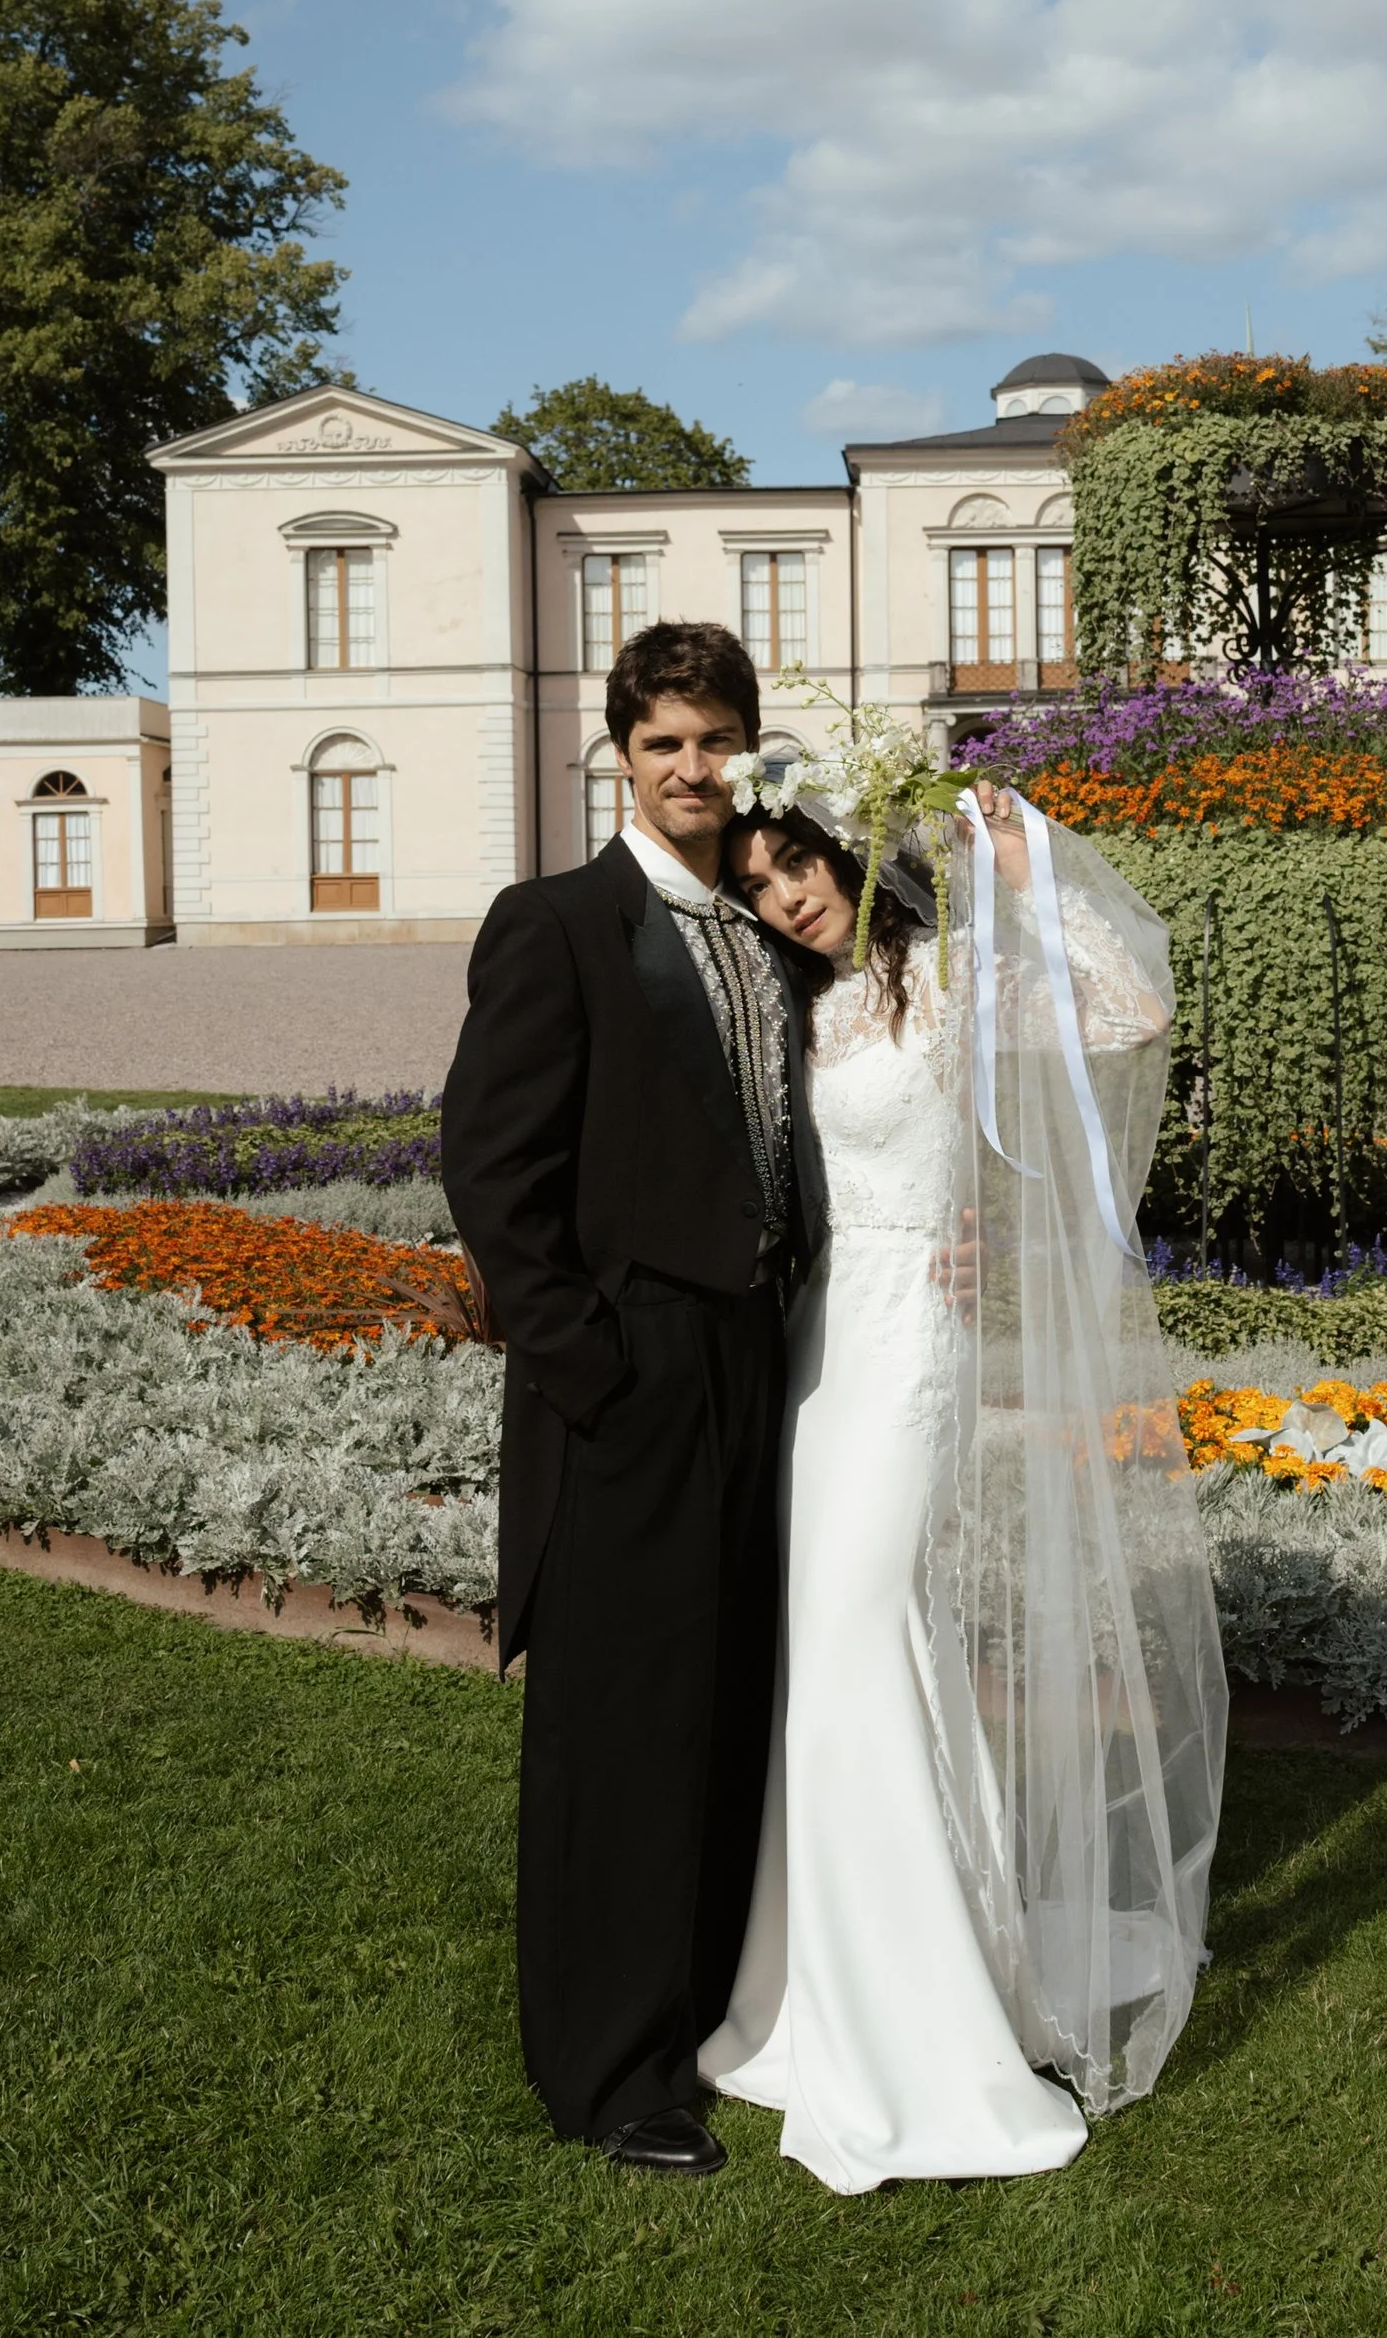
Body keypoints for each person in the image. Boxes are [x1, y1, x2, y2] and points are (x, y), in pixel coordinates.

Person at [698, 773, 1228, 2196]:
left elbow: (1128, 1016)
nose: (784, 894)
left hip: (913, 1354)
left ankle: (911, 2014)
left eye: (794, 861)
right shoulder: (804, 1007)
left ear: (840, 850)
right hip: (825, 1342)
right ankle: (829, 1972)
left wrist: (1020, 866)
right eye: (755, 883)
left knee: (862, 1626)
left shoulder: (943, 973)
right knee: (844, 1649)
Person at [440, 620, 818, 2176]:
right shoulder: (557, 922)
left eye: (715, 737)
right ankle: (607, 2071)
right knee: (621, 1727)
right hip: (628, 1375)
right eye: (664, 741)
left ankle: (706, 2010)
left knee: (726, 1699)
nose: (691, 766)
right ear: (619, 754)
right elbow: (493, 1167)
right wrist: (588, 1367)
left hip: (757, 1365)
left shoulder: (775, 918)